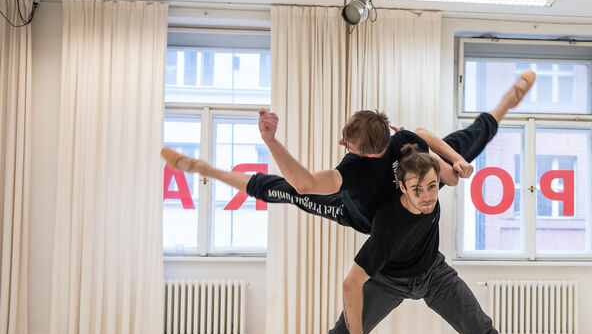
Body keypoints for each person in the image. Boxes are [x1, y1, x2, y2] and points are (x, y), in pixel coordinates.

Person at [268, 145, 552, 334]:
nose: (428, 196)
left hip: (433, 273)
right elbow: (350, 283)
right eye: (418, 190)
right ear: (401, 187)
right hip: (387, 281)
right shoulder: (389, 227)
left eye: (432, 186)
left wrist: (455, 159)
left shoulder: (427, 176)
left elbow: (423, 134)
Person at [161, 71, 536, 233]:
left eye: (348, 142)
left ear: (361, 150)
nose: (343, 144)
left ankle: (506, 102)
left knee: (287, 189)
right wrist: (453, 160)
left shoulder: (352, 171)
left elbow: (306, 183)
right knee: (464, 142)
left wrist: (272, 141)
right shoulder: (401, 139)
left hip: (356, 212)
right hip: (397, 186)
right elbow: (421, 133)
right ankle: (205, 169)